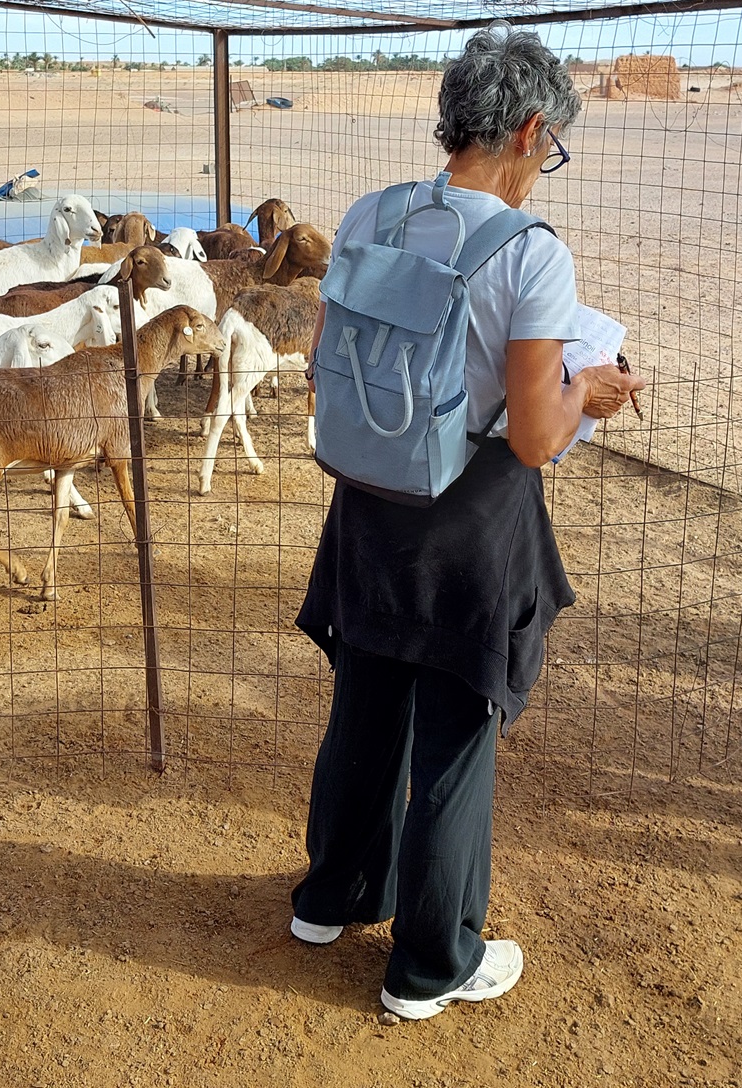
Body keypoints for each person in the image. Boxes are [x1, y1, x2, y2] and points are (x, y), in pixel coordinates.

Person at [287, 24, 644, 1019]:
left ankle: (330, 898)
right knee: (453, 734)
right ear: (529, 130)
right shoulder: (531, 254)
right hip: (469, 527)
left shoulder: (370, 213)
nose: (545, 165)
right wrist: (589, 391)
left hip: (366, 505)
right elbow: (533, 436)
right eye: (551, 146)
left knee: (364, 705)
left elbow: (323, 364)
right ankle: (430, 964)